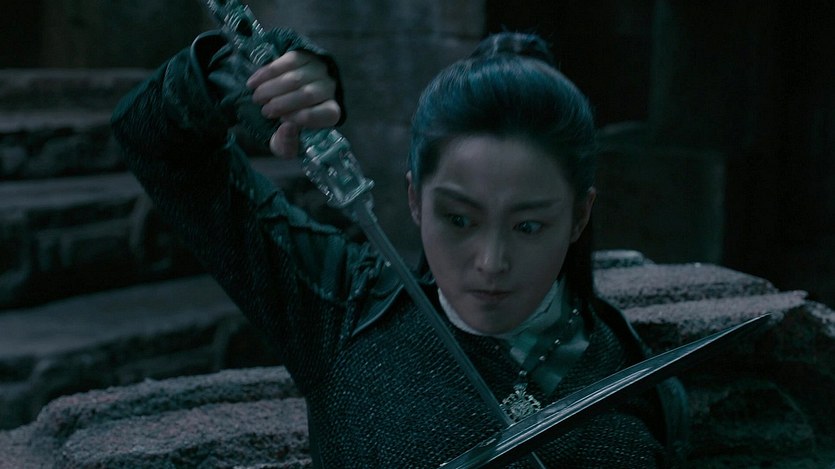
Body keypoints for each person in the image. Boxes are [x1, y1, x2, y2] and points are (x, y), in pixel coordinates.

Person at [112, 25, 688, 468]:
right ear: (415, 199)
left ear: (579, 215)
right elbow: (154, 139)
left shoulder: (637, 378)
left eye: (529, 227)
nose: (491, 263)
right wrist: (249, 78)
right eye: (459, 219)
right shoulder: (342, 307)